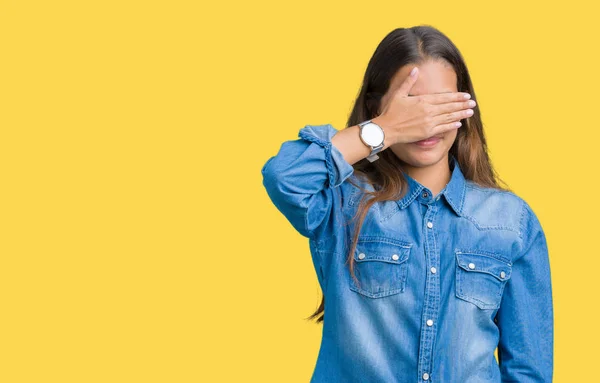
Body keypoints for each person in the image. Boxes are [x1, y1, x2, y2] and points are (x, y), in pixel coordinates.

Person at [260, 25, 553, 383]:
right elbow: (284, 177)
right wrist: (383, 131)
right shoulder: (342, 201)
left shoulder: (511, 221)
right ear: (376, 106)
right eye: (413, 104)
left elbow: (529, 371)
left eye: (440, 104)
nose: (426, 121)